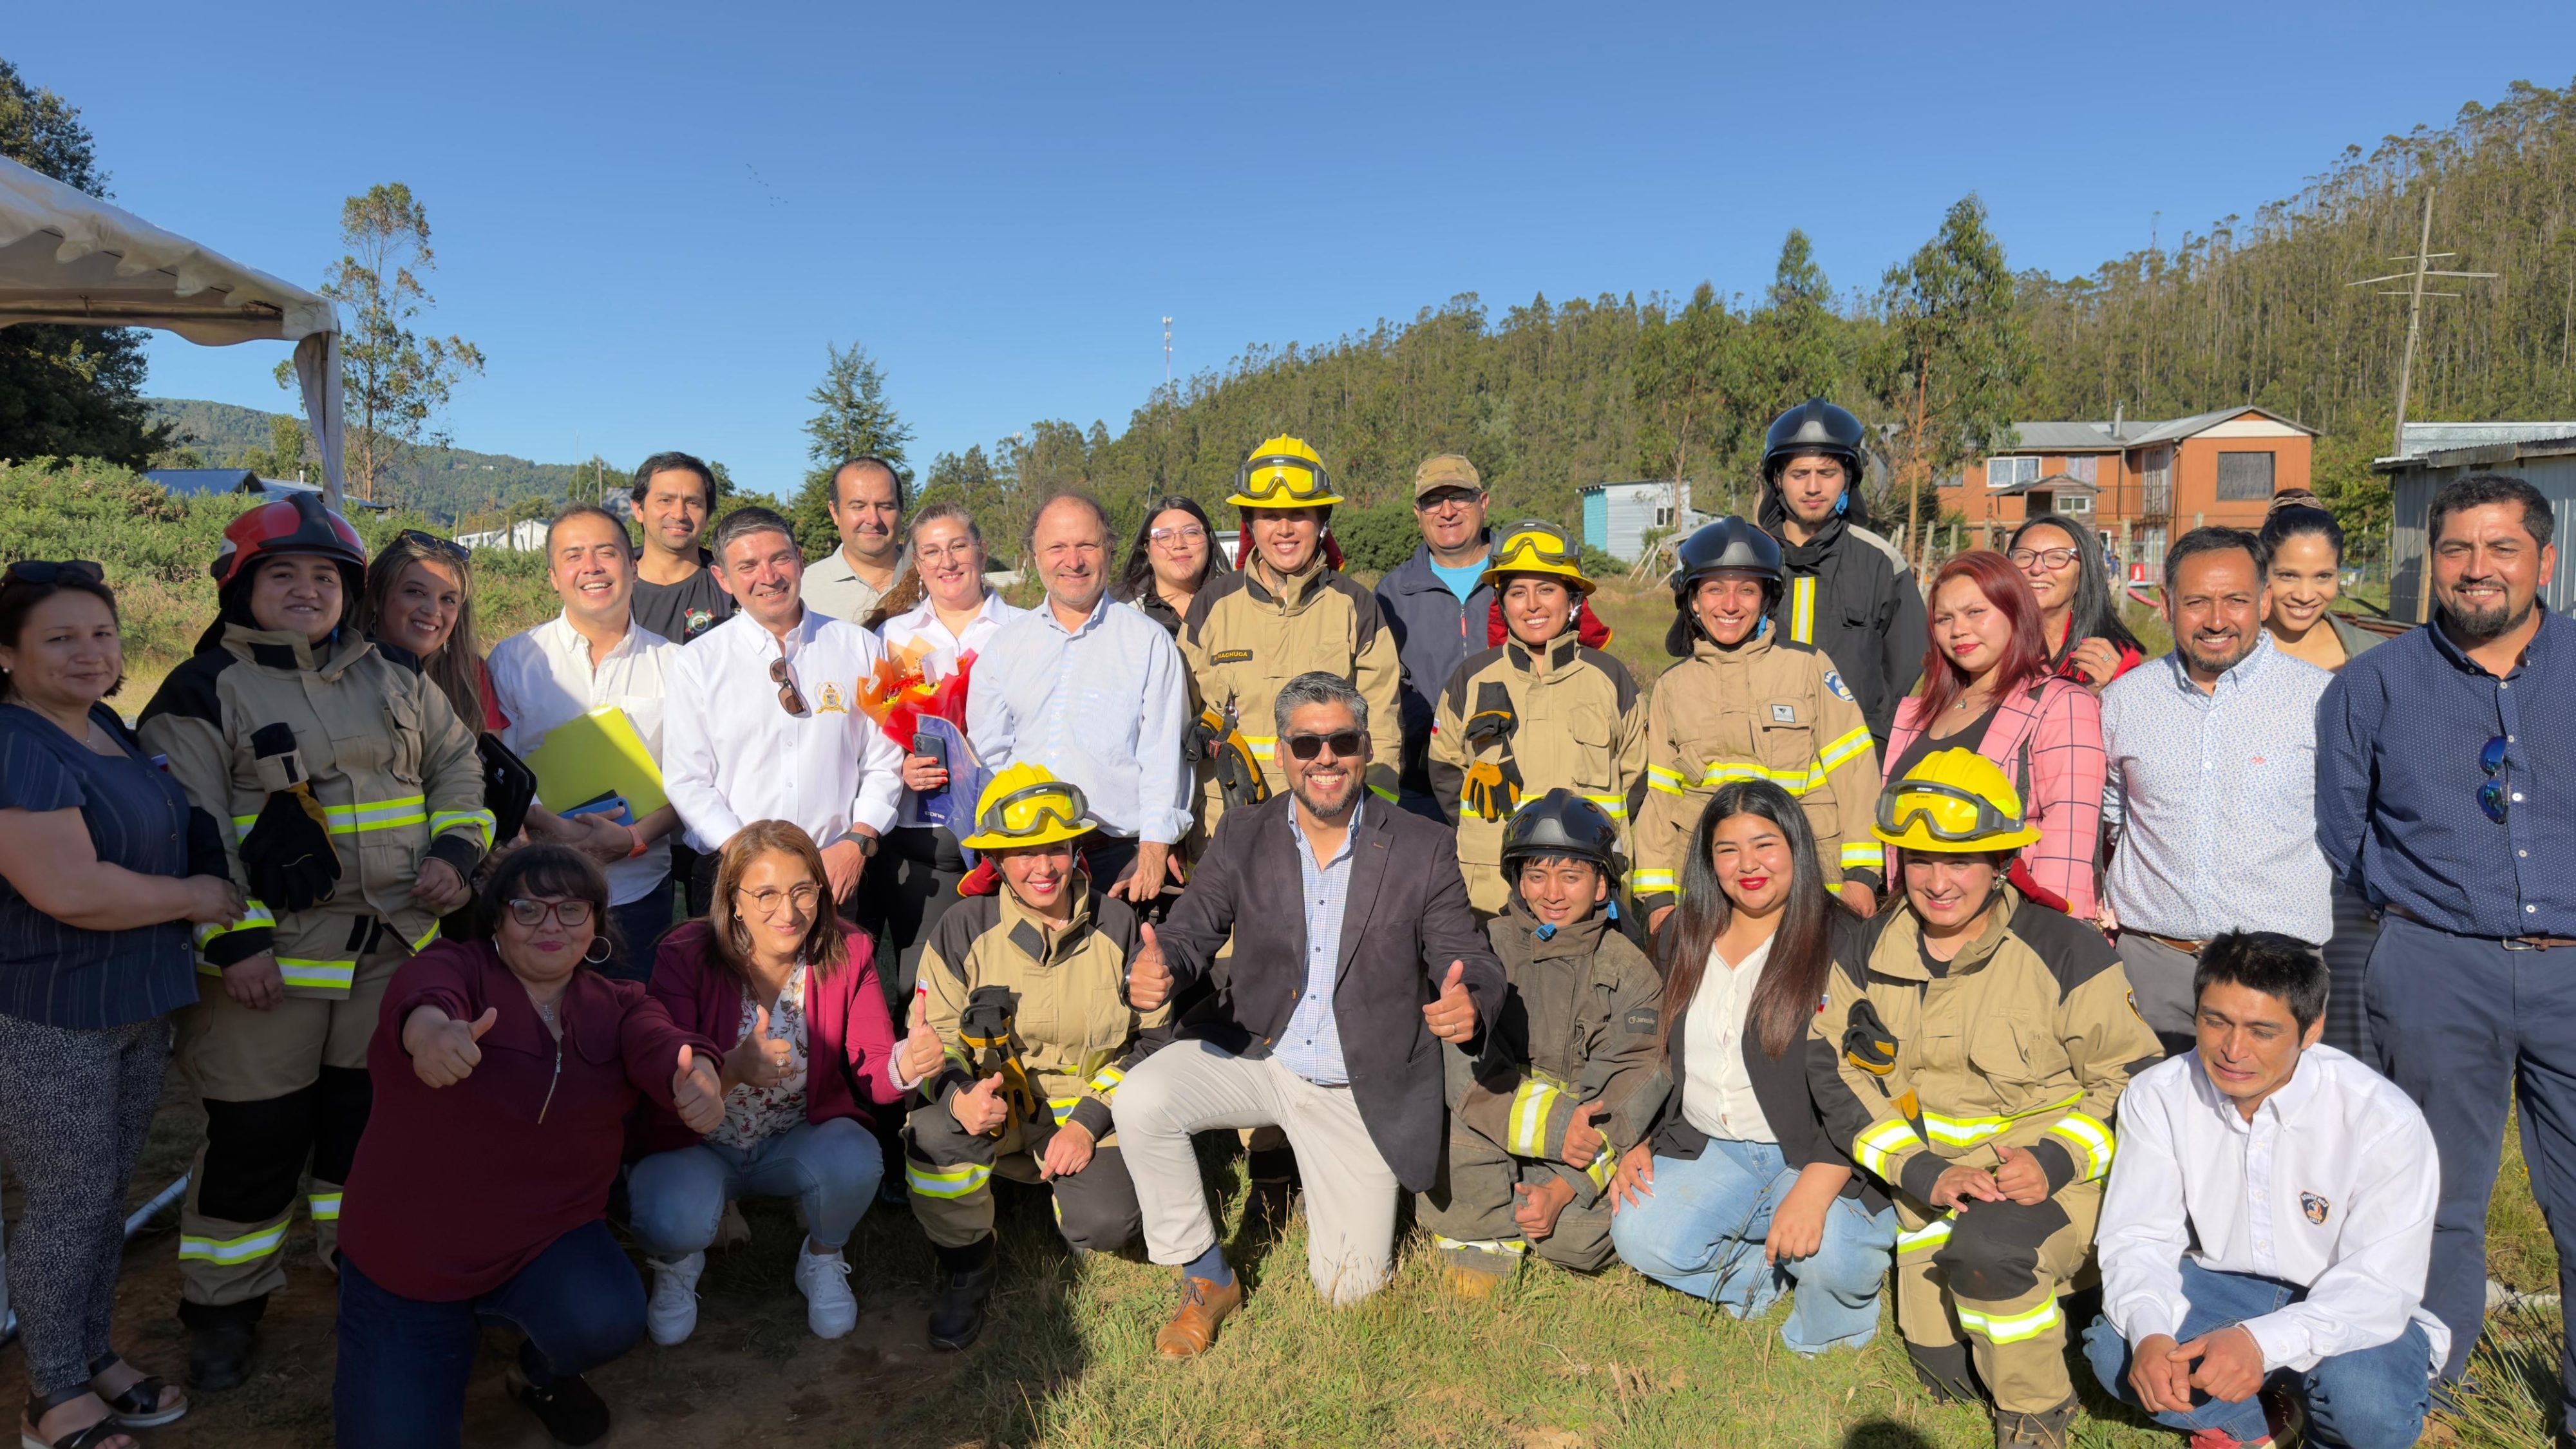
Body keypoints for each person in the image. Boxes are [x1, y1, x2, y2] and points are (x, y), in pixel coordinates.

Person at [137, 493, 491, 1390]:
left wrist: (456, 850)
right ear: (241, 586)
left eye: (325, 577)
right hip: (270, 969)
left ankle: (359, 1261)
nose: (307, 590)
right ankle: (224, 1307)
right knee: (256, 1138)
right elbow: (189, 827)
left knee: (363, 1129)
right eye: (284, 574)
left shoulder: (394, 675)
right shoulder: (202, 688)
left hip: (388, 953)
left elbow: (458, 766)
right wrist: (237, 943)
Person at [1117, 672, 1504, 1352]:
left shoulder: (1422, 845)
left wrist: (1470, 999)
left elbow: (1467, 956)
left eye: (1342, 742)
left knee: (1349, 1292)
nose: (1325, 758)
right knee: (1142, 1098)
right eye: (1306, 744)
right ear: (1281, 753)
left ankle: (1344, 1198)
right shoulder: (1243, 832)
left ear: (1366, 748)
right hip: (1260, 1052)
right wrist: (1162, 967)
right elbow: (1191, 929)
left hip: (1357, 1083)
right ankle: (1207, 1277)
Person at [1811, 750, 2162, 1449]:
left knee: (1992, 1255)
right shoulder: (1867, 949)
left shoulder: (2064, 948)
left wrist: (2055, 1161)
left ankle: (2038, 1413)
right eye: (1920, 861)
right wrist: (1923, 1172)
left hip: (2048, 1184)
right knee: (1945, 1377)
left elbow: (2134, 1078)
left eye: (1961, 862)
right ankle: (2033, 1305)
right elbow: (1833, 1069)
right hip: (1934, 1189)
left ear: (2001, 862)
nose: (1938, 883)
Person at [2317, 472, 2576, 1410]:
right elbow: (2344, 831)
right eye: (2456, 549)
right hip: (2434, 964)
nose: (2476, 568)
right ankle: (2428, 1388)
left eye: (2501, 548)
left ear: (2544, 559)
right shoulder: (2374, 684)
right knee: (2434, 1199)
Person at [331, 846, 724, 1449]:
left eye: (571, 909)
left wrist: (699, 1073)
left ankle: (538, 1374)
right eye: (528, 909)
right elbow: (423, 1000)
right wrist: (431, 1036)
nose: (550, 925)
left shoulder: (618, 1004)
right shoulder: (454, 968)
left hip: (542, 1243)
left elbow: (664, 1044)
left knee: (606, 1319)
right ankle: (439, 1344)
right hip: (410, 1261)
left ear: (595, 923)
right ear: (497, 919)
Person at [0, 563, 239, 1449]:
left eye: (100, 634)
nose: (89, 653)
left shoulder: (101, 724)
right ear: (7, 653)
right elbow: (70, 889)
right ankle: (53, 1394)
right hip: (50, 1012)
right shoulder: (17, 745)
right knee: (68, 1201)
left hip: (134, 1003)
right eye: (60, 638)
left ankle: (91, 1352)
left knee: (104, 1196)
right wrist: (195, 897)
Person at [2085, 932, 2441, 1449]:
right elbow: (2139, 1235)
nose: (2234, 1051)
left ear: (2312, 1029)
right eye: (2216, 1022)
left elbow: (2377, 1285)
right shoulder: (2158, 1094)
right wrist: (2151, 1333)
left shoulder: (2381, 1118)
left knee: (2368, 1411)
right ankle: (2264, 1423)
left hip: (2346, 1298)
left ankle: (2324, 1415)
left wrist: (2258, 1341)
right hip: (2224, 1286)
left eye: (2262, 1031)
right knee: (2117, 1354)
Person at [1607, 781, 1897, 1354]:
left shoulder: (1847, 940)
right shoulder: (1682, 935)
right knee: (1639, 1234)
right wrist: (1637, 1135)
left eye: (1765, 845)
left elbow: (1879, 1080)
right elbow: (1654, 1052)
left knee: (1832, 1259)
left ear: (1796, 847)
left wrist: (1817, 1185)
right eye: (1728, 850)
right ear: (1708, 862)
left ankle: (1831, 1322)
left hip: (1820, 1153)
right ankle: (1764, 1279)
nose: (1748, 865)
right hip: (1712, 1146)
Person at [895, 764, 1172, 1350]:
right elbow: (934, 1037)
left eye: (1057, 849)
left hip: (1085, 1111)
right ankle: (969, 1264)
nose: (1043, 868)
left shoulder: (1119, 925)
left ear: (1077, 851)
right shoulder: (961, 928)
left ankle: (1068, 1208)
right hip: (990, 1109)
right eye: (1023, 853)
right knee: (932, 1136)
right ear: (996, 859)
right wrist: (958, 1097)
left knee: (1109, 1223)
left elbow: (1153, 1043)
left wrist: (1088, 1123)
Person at [629, 820, 900, 1347]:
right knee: (670, 1215)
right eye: (766, 894)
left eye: (803, 891)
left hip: (793, 1139)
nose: (789, 911)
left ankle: (822, 1256)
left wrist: (908, 1064)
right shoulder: (685, 953)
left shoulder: (850, 950)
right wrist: (732, 1069)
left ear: (821, 892)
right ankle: (679, 1262)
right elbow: (665, 1070)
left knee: (857, 1158)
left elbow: (877, 1071)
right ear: (734, 901)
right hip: (697, 1146)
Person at [2098, 528, 2333, 1054]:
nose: (2216, 620)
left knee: (2269, 1105)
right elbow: (2113, 819)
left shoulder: (2320, 700)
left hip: (2277, 974)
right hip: (2152, 968)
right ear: (2166, 605)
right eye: (2196, 602)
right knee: (2146, 1102)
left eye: (2236, 601)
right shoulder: (2125, 701)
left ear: (2265, 602)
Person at [1417, 791, 1660, 1295]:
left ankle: (1528, 1203)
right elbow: (1465, 1068)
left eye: (1571, 876)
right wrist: (1551, 1127)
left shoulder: (1630, 971)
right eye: (1536, 875)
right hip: (1496, 1122)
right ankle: (1483, 1233)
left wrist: (1565, 1189)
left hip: (1579, 1147)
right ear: (1517, 880)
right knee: (1459, 1140)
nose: (1552, 893)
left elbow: (1630, 1087)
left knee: (1577, 1243)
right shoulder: (1486, 948)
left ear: (1602, 885)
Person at [1633, 517, 1880, 930]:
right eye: (1715, 589)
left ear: (1766, 598)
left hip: (1808, 881)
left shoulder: (1809, 668)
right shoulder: (1671, 688)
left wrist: (1861, 875)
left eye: (1747, 590)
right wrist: (1658, 899)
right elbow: (1660, 799)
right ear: (1692, 600)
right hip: (1708, 887)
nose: (1731, 605)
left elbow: (1855, 771)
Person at [661, 506, 904, 917]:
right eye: (748, 566)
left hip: (833, 869)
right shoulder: (698, 662)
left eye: (780, 559)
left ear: (800, 561)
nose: (769, 576)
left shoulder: (861, 647)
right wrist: (748, 859)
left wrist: (858, 840)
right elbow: (688, 780)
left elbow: (884, 759)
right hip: (732, 873)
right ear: (722, 578)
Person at [486, 502, 685, 980]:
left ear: (633, 566)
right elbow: (498, 768)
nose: (591, 567)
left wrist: (633, 839)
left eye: (606, 553)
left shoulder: (679, 664)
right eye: (573, 556)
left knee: (632, 1017)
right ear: (554, 577)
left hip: (638, 894)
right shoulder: (513, 659)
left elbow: (694, 780)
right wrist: (553, 828)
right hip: (537, 892)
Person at [968, 493, 1190, 903]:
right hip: (1024, 858)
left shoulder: (1148, 642)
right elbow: (988, 758)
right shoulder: (1005, 647)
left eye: (1087, 545)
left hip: (1116, 862)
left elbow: (1163, 759)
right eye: (1057, 547)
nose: (1073, 561)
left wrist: (1154, 850)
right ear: (1035, 555)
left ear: (1109, 550)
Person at [1426, 522, 1647, 915]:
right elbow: (1445, 769)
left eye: (1546, 590)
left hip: (1588, 887)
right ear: (1501, 602)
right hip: (1491, 891)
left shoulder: (1610, 678)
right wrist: (1482, 830)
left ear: (1573, 598)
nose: (1532, 605)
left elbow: (1638, 780)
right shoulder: (1471, 678)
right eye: (1517, 593)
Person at [1180, 436, 1405, 820]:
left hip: (1329, 821)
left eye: (1299, 514)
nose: (1284, 529)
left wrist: (1374, 818)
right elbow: (1175, 724)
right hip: (1227, 825)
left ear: (1321, 521)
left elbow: (1382, 729)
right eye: (1269, 516)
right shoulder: (1211, 606)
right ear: (1250, 523)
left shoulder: (1356, 606)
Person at [1885, 551, 2106, 922]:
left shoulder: (2061, 704)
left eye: (1975, 612)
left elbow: (2069, 838)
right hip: (1915, 918)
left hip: (2007, 925)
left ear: (2015, 611)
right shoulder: (1917, 711)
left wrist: (2047, 938)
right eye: (1944, 618)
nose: (1958, 630)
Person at [860, 503, 1024, 997]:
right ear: (918, 564)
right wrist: (902, 766)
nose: (947, 562)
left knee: (1003, 978)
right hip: (922, 836)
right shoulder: (895, 634)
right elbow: (875, 732)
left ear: (982, 551)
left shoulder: (1025, 628)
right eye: (931, 552)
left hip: (1008, 829)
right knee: (922, 983)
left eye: (958, 547)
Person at [2255, 504, 2382, 1057]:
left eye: (2323, 576)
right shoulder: (2233, 651)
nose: (2306, 593)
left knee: (2345, 1030)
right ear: (2263, 573)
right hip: (2263, 870)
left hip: (2347, 876)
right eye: (2288, 575)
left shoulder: (2371, 656)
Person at [1756, 398, 1926, 749]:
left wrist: (1873, 734)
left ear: (1848, 478)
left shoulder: (1881, 563)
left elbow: (1906, 667)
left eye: (1827, 473)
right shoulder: (1750, 560)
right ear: (1777, 479)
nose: (1813, 487)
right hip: (1761, 751)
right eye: (1799, 474)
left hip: (1854, 755)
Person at [1374, 454, 1494, 820]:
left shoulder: (1520, 579)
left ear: (1483, 503)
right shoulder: (1391, 595)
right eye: (1433, 501)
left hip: (1515, 780)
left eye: (1459, 497)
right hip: (1420, 792)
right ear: (1418, 512)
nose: (1447, 511)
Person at [357, 529, 506, 735]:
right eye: (416, 592)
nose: (433, 610)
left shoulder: (468, 673)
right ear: (376, 597)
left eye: (448, 599)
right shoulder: (339, 667)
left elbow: (489, 751)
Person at [2009, 513, 2144, 696]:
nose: (2037, 568)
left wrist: (2104, 694)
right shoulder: (1989, 641)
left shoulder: (2115, 657)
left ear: (2083, 573)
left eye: (2057, 557)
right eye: (2024, 557)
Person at [627, 452, 735, 645]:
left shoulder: (733, 588)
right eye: (665, 500)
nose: (679, 514)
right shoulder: (608, 586)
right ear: (638, 510)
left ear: (708, 516)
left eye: (693, 503)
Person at [799, 456, 911, 623]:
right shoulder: (803, 591)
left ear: (901, 509)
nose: (873, 520)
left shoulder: (935, 579)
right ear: (835, 512)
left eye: (885, 506)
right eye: (858, 507)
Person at [1112, 495, 1226, 638]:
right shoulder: (1118, 611)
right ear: (1147, 550)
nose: (1179, 544)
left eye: (1191, 533)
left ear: (1209, 541)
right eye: (1164, 536)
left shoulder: (1237, 600)